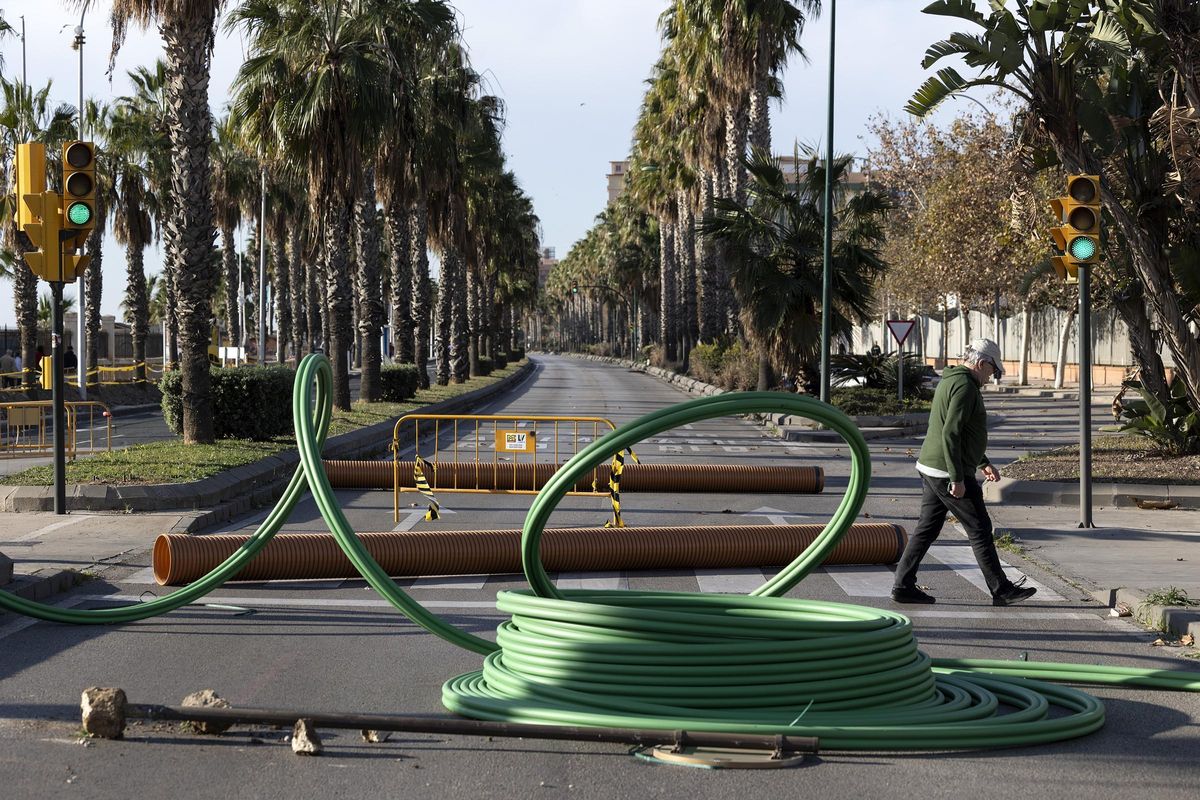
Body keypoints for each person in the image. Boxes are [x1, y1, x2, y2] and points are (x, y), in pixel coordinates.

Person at [891, 338, 1037, 607]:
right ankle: (1001, 588)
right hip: (946, 471)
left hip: (933, 466)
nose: (992, 375)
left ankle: (903, 585)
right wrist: (957, 478)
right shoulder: (965, 388)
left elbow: (965, 432)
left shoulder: (953, 380)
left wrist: (983, 463)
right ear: (982, 363)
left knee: (927, 529)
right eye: (993, 370)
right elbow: (951, 433)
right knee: (980, 528)